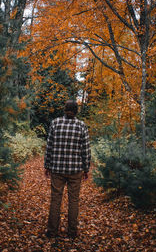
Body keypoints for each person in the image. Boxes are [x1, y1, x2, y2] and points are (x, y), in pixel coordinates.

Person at [44, 100, 91, 239]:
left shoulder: (55, 123)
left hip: (57, 169)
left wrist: (47, 165)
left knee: (55, 200)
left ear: (65, 109)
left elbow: (49, 146)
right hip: (75, 170)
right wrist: (86, 168)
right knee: (74, 200)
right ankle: (72, 232)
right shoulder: (81, 126)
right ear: (76, 111)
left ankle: (52, 231)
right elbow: (86, 150)